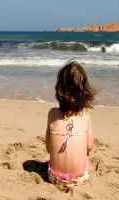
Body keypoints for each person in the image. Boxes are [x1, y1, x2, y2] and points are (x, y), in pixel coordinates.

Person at [45, 60, 97, 191]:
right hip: (79, 179)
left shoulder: (52, 114)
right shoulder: (85, 114)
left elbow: (48, 148)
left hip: (55, 179)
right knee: (86, 156)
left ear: (59, 88)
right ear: (84, 89)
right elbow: (89, 147)